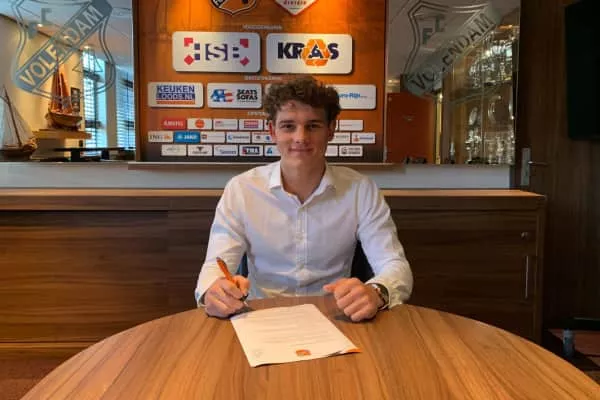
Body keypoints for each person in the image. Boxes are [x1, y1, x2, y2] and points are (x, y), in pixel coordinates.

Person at [195, 76, 412, 321]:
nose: (300, 137)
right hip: (261, 316)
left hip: (336, 317)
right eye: (288, 126)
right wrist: (213, 292)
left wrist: (377, 292)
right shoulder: (241, 189)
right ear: (272, 131)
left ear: (331, 130)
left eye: (313, 126)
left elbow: (395, 265)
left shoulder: (361, 190)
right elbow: (215, 265)